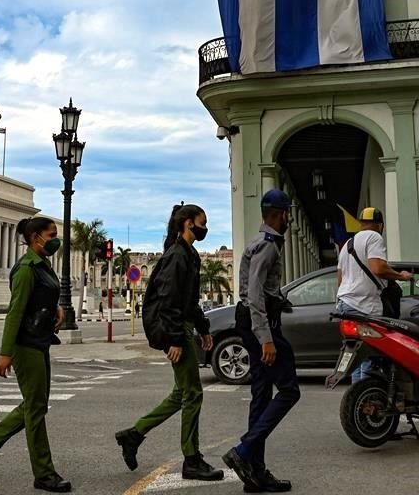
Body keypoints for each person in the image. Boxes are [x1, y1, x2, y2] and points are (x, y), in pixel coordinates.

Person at [115, 204, 224, 482]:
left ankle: (134, 434)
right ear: (188, 223)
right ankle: (191, 459)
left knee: (181, 393)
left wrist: (203, 327)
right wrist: (174, 339)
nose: (204, 228)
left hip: (185, 327)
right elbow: (168, 300)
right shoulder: (177, 256)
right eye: (202, 222)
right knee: (193, 394)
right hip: (178, 331)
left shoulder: (188, 254)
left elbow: (189, 299)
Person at [0, 217, 70, 493]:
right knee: (35, 408)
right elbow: (15, 312)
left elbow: (41, 298)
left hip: (41, 340)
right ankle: (44, 473)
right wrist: (5, 353)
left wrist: (56, 308)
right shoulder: (25, 269)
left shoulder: (43, 265)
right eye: (52, 234)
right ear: (36, 238)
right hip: (26, 344)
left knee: (36, 404)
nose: (55, 239)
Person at [222, 190, 299, 493]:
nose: (289, 218)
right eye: (288, 213)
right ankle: (243, 452)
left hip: (255, 320)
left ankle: (255, 472)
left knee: (261, 393)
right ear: (281, 214)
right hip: (259, 324)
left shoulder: (262, 243)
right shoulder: (268, 247)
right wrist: (266, 339)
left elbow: (263, 291)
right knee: (290, 389)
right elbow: (255, 296)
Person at [335, 207, 413, 382]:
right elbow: (378, 268)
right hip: (364, 305)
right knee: (370, 357)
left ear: (361, 224)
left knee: (355, 357)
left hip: (345, 304)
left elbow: (340, 279)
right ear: (380, 225)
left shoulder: (348, 244)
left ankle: (357, 400)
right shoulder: (374, 237)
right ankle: (368, 401)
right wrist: (402, 276)